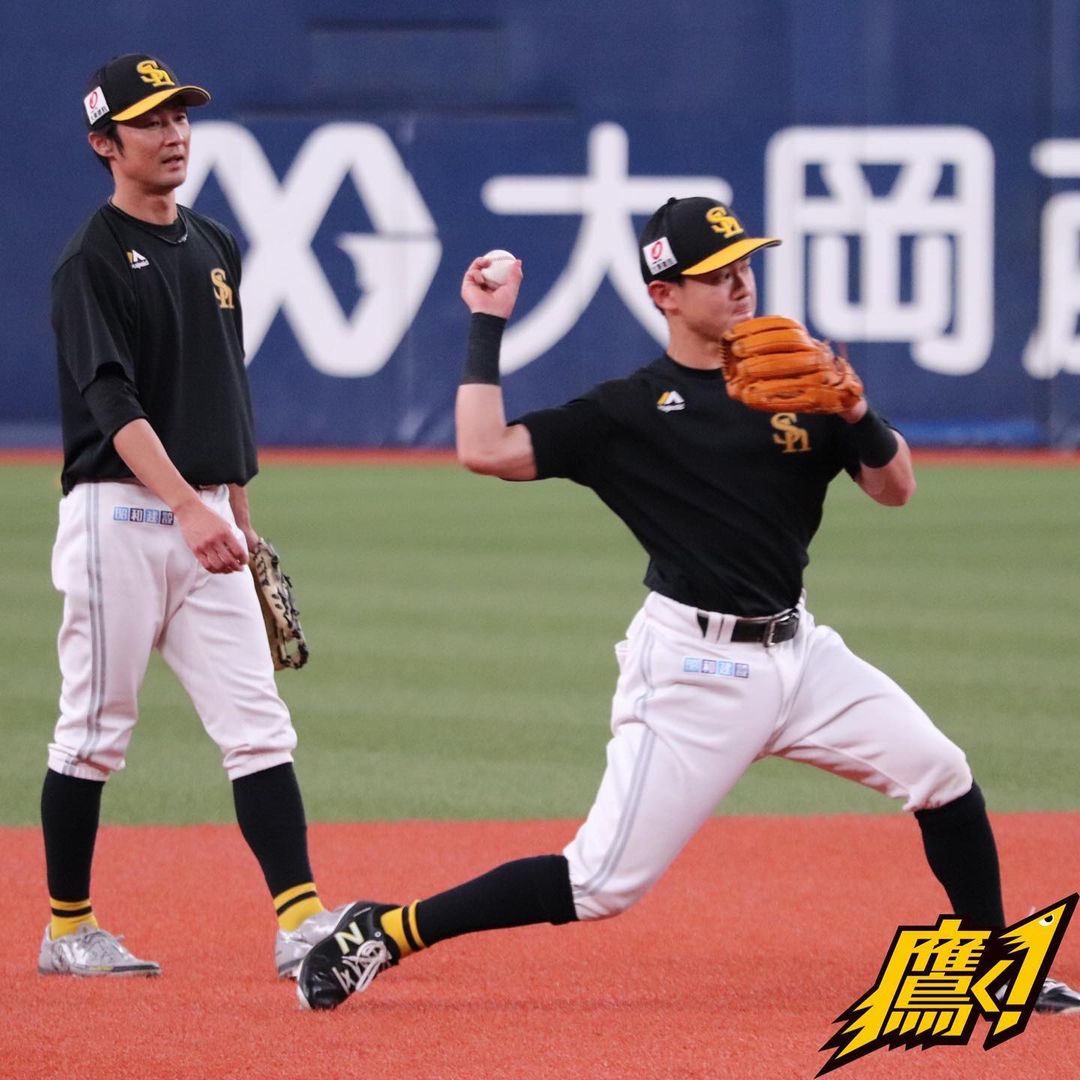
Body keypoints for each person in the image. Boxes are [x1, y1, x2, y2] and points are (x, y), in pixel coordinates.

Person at [297, 197, 1080, 1015]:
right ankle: (384, 930)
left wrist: (855, 410)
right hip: (694, 670)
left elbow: (897, 489)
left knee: (940, 771)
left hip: (802, 653)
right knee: (599, 883)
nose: (740, 282)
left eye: (744, 263)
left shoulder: (799, 378)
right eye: (716, 273)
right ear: (664, 294)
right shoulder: (630, 411)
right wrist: (488, 322)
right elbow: (483, 448)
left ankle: (995, 967)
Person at [39, 53, 343, 980]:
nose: (173, 133)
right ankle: (67, 929)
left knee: (259, 726)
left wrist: (237, 516)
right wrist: (184, 506)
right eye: (150, 121)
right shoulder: (90, 261)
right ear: (106, 143)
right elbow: (111, 401)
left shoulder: (214, 243)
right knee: (94, 730)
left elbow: (223, 393)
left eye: (179, 116)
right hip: (120, 518)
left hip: (207, 519)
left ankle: (301, 923)